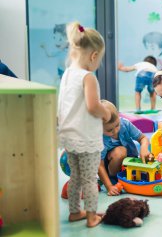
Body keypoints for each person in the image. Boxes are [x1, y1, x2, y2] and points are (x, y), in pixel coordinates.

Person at [57, 21, 111, 228]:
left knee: (75, 178)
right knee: (90, 178)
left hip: (69, 136)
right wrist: (105, 113)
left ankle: (74, 212)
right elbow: (92, 106)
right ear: (94, 55)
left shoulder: (68, 74)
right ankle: (91, 216)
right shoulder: (88, 77)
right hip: (86, 137)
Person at [99, 100, 152, 196]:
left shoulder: (125, 124)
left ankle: (128, 176)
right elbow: (99, 165)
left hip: (131, 164)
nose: (115, 131)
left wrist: (144, 149)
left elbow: (143, 138)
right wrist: (109, 186)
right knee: (120, 151)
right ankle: (117, 178)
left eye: (117, 125)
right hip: (112, 170)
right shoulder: (99, 139)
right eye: (110, 130)